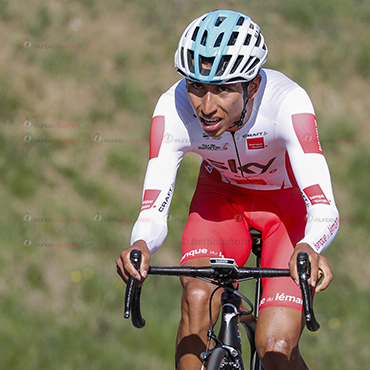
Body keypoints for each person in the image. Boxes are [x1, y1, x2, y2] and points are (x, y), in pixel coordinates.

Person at [116, 9, 339, 370]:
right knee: (196, 297)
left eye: (222, 89)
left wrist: (309, 246)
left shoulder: (288, 103)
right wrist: (142, 243)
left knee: (276, 349)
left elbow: (324, 206)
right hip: (221, 202)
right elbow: (152, 207)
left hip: (286, 211)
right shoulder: (171, 109)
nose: (206, 107)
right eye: (196, 86)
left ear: (252, 86)